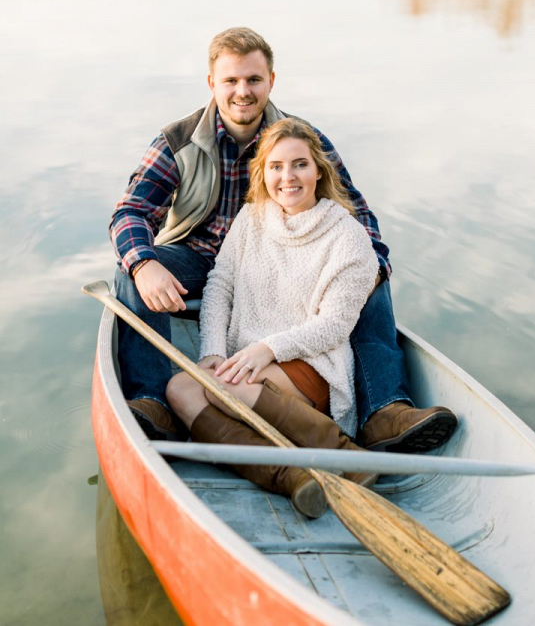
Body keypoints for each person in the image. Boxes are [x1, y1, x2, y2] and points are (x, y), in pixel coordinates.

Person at [110, 27, 457, 453]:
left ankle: (383, 409)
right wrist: (145, 265)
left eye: (254, 80)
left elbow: (355, 211)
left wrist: (371, 267)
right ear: (211, 84)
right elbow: (131, 213)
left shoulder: (299, 140)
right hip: (196, 260)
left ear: (271, 80)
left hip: (278, 261)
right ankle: (152, 397)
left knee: (371, 269)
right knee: (132, 267)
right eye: (231, 81)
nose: (243, 91)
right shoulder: (177, 142)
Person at [166, 117, 383, 517]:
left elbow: (335, 325)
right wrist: (212, 350)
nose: (288, 177)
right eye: (276, 166)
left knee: (222, 390)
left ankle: (343, 453)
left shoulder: (348, 236)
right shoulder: (251, 220)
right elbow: (220, 286)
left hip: (312, 362)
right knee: (181, 388)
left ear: (319, 170)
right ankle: (292, 478)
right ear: (263, 173)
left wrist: (268, 349)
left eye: (300, 164)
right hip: (249, 360)